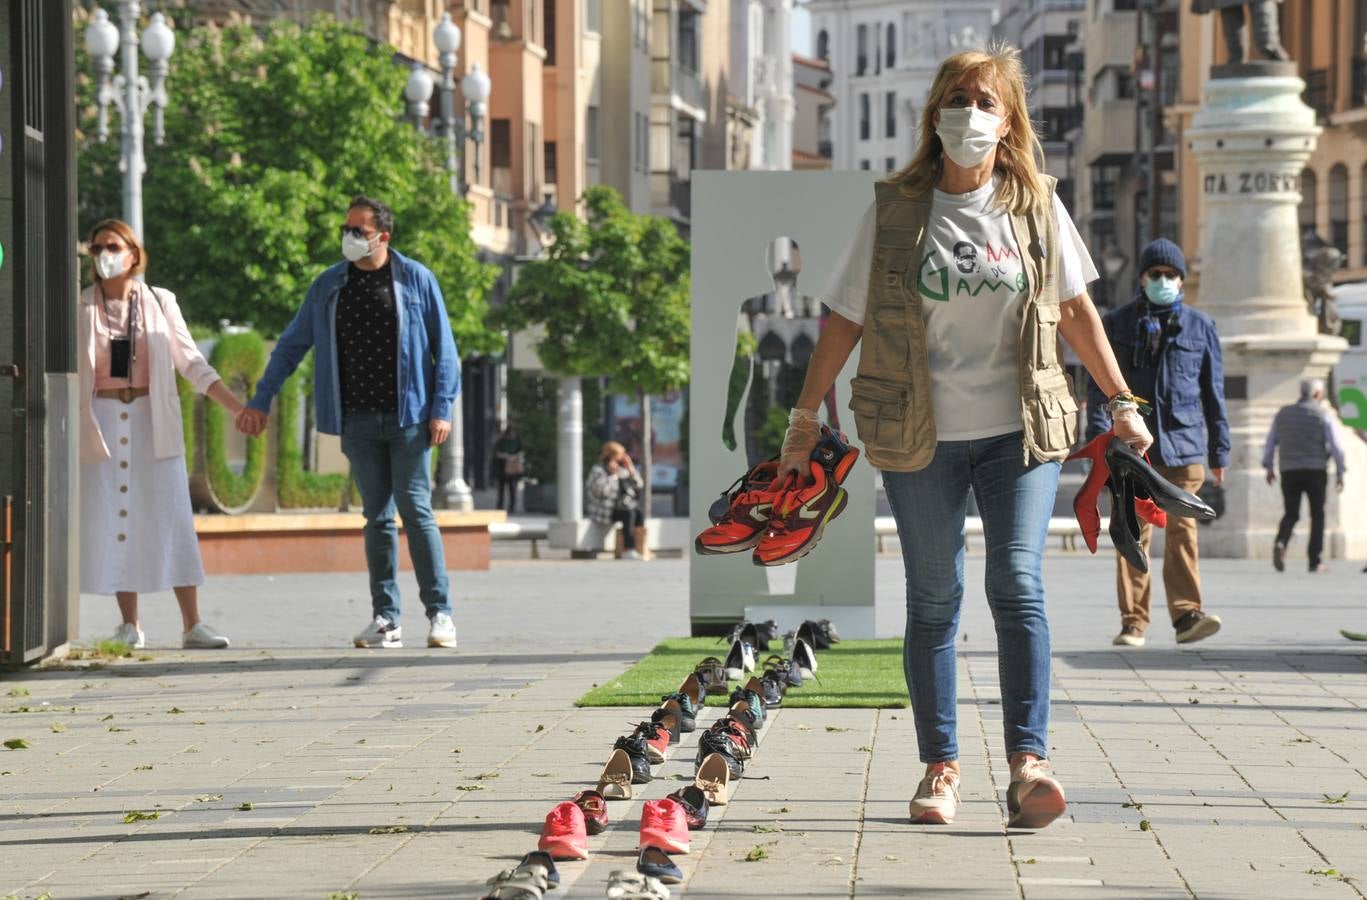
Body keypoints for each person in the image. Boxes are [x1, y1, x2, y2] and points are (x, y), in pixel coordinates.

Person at [775, 44, 1151, 829]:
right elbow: (843, 318)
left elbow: (1077, 311)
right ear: (933, 115)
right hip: (919, 433)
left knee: (1015, 583)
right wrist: (805, 418)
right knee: (935, 599)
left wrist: (1121, 400)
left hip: (1019, 428)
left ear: (1007, 119)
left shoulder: (1036, 206)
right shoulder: (896, 209)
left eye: (983, 101)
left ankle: (1027, 763)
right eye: (956, 98)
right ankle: (940, 768)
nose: (968, 113)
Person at [237, 196, 460, 650]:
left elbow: (446, 350)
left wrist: (442, 407)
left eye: (359, 230)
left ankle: (440, 614)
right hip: (357, 419)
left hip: (410, 418)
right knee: (376, 516)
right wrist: (261, 399)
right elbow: (291, 345)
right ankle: (386, 619)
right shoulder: (329, 286)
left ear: (384, 236)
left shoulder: (415, 279)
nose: (350, 237)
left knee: (415, 511)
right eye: (347, 229)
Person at [78, 218, 237, 650]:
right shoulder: (83, 305)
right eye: (97, 248)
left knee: (171, 515)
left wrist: (238, 407)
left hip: (154, 418)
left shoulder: (160, 301)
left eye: (113, 246)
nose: (105, 255)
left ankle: (193, 624)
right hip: (104, 420)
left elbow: (192, 364)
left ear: (134, 253)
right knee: (116, 517)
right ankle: (130, 624)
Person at [1086, 238, 1230, 649]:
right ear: (1142, 278)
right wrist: (1100, 443)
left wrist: (1220, 452)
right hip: (1134, 449)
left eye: (1171, 275)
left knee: (1183, 532)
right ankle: (1134, 622)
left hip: (1184, 448)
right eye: (1156, 274)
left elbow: (1213, 394)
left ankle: (1187, 617)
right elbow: (1100, 387)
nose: (1163, 281)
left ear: (1182, 279)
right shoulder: (1117, 324)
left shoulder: (1201, 328)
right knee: (1133, 532)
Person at [1263, 378, 1347, 573]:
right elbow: (1336, 446)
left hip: (1289, 470)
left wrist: (1269, 467)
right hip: (1315, 470)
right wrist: (1341, 471)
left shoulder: (1283, 414)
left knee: (1291, 512)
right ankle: (1314, 560)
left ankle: (1281, 542)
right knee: (1317, 514)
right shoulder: (1323, 414)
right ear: (1317, 394)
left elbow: (1271, 441)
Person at [586, 442, 646, 560]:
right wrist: (613, 477)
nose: (622, 457)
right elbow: (601, 492)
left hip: (621, 506)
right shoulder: (598, 470)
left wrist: (630, 467)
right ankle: (628, 549)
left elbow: (639, 485)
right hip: (604, 510)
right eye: (620, 455)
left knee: (638, 512)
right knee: (628, 513)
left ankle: (640, 546)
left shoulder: (621, 470)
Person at [493, 424, 525, 513]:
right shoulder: (501, 442)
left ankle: (512, 506)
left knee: (513, 488)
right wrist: (507, 456)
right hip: (502, 468)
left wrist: (515, 456)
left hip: (513, 469)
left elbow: (522, 452)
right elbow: (497, 454)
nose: (512, 435)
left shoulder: (517, 441)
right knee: (501, 489)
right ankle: (500, 505)